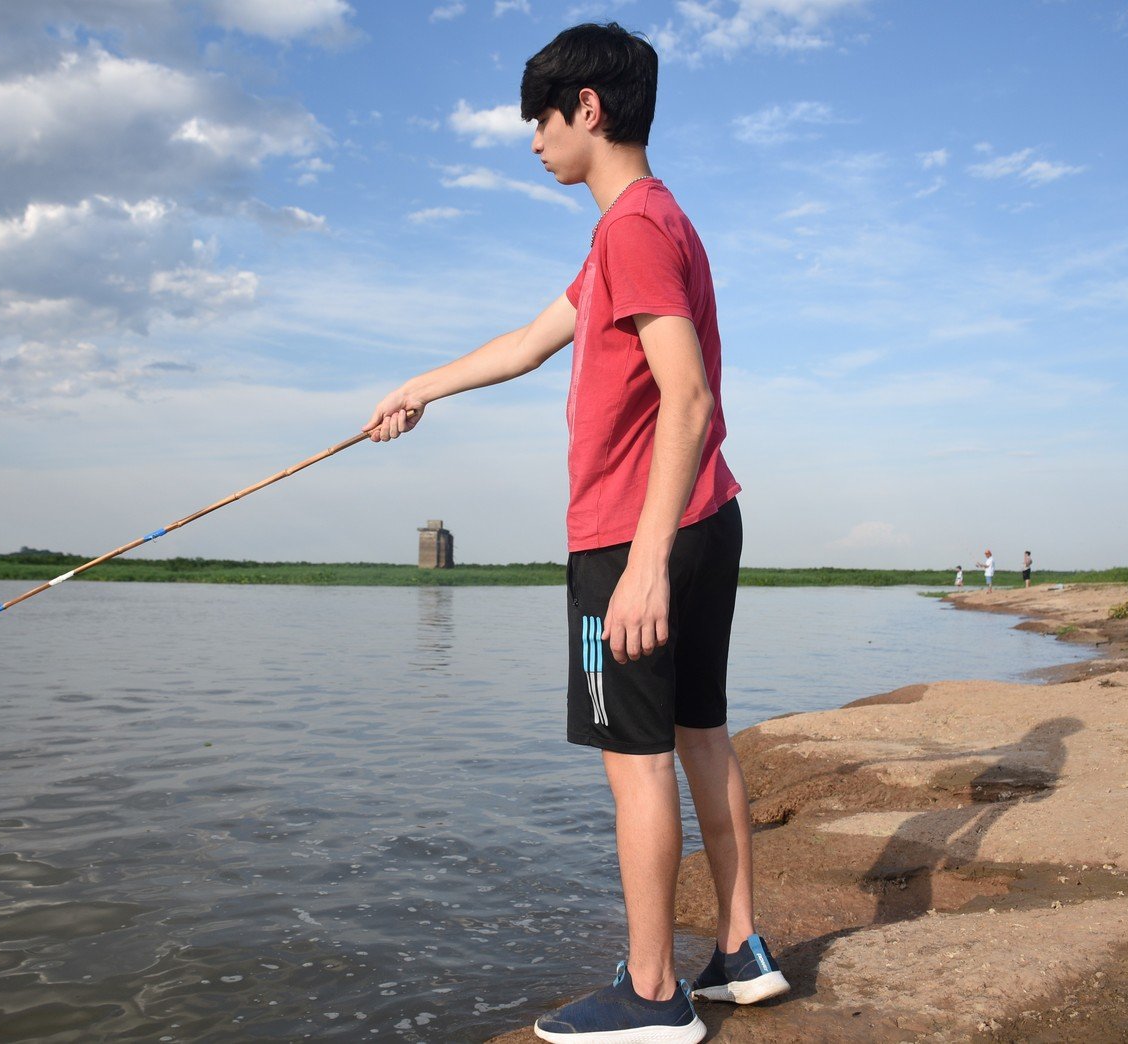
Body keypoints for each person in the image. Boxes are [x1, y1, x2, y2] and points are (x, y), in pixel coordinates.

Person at [364, 22, 786, 1043]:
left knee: (633, 759)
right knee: (697, 735)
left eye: (537, 120)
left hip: (631, 535)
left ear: (585, 108)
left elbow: (683, 399)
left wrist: (640, 565)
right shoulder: (639, 229)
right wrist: (418, 390)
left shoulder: (633, 230)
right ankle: (737, 951)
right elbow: (524, 343)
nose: (531, 141)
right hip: (701, 516)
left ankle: (650, 995)